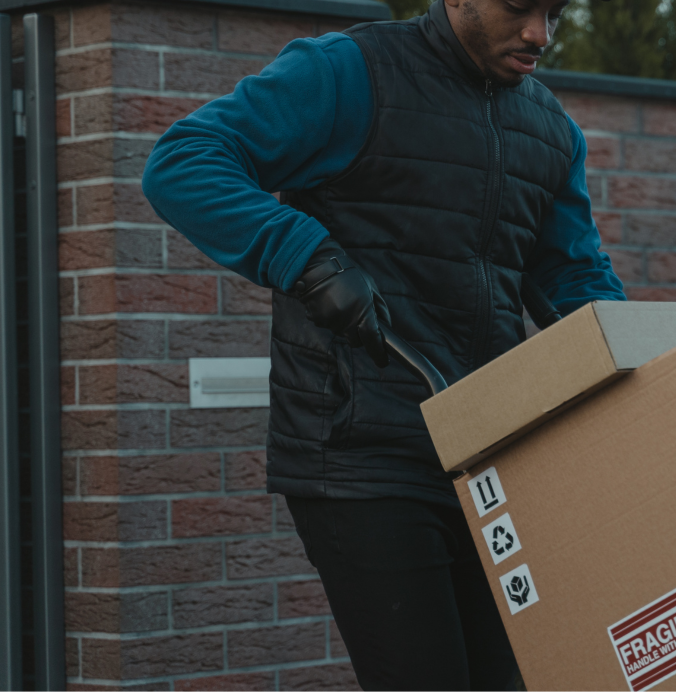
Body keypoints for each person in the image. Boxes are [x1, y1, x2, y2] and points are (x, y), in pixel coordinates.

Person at [141, 0, 625, 688]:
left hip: (489, 457)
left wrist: (636, 356)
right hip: (361, 455)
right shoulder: (349, 73)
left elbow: (573, 277)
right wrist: (307, 258)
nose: (539, 34)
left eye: (555, 11)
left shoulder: (550, 129)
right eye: (520, 8)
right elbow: (183, 160)